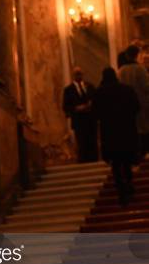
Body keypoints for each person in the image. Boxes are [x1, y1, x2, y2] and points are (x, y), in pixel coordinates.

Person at [92, 67, 140, 206]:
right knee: (127, 160)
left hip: (110, 134)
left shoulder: (99, 93)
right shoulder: (127, 89)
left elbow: (95, 114)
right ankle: (129, 183)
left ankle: (121, 190)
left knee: (116, 163)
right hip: (127, 132)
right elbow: (137, 107)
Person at [119, 44, 149, 159]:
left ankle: (135, 154)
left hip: (126, 106)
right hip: (142, 104)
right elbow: (146, 87)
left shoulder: (121, 70)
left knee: (133, 130)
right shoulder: (140, 69)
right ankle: (145, 152)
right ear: (137, 55)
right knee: (144, 129)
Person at [63, 66, 99, 163]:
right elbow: (66, 106)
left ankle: (94, 158)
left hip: (91, 118)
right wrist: (76, 108)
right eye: (76, 73)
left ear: (83, 74)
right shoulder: (68, 90)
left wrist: (91, 104)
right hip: (78, 119)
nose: (78, 75)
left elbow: (97, 100)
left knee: (92, 139)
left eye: (80, 73)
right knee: (81, 140)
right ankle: (83, 159)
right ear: (73, 75)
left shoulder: (90, 87)